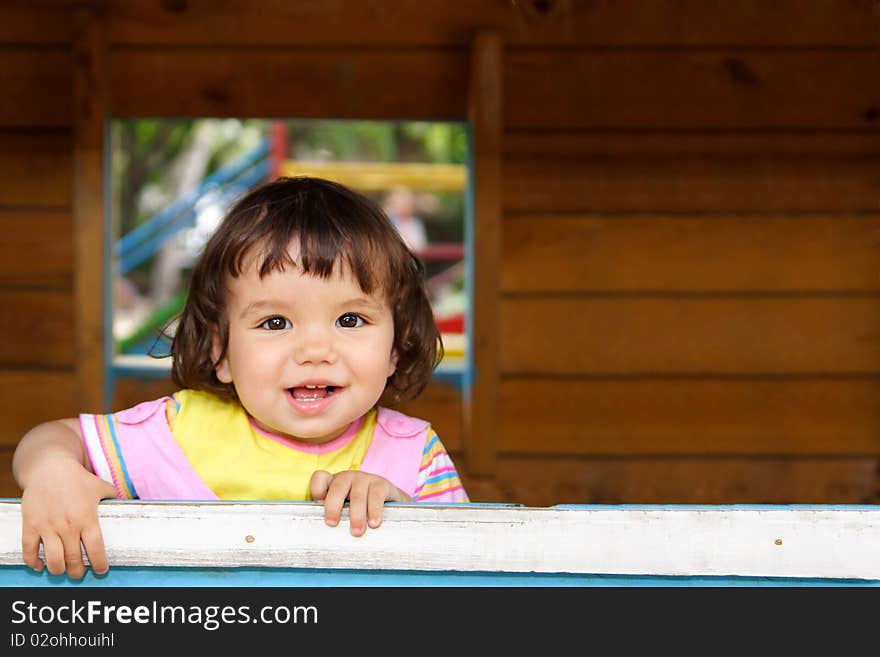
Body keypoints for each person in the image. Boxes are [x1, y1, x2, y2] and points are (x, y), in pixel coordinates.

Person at [12, 176, 469, 578]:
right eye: (275, 323)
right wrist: (52, 470)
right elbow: (52, 437)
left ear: (395, 345)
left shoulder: (415, 456)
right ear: (220, 350)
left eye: (350, 320)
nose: (315, 352)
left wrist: (404, 517)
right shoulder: (176, 432)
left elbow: (473, 579)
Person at [385, 185, 428, 252]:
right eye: (403, 204)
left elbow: (421, 246)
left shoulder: (416, 224)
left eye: (408, 204)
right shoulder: (391, 222)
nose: (406, 207)